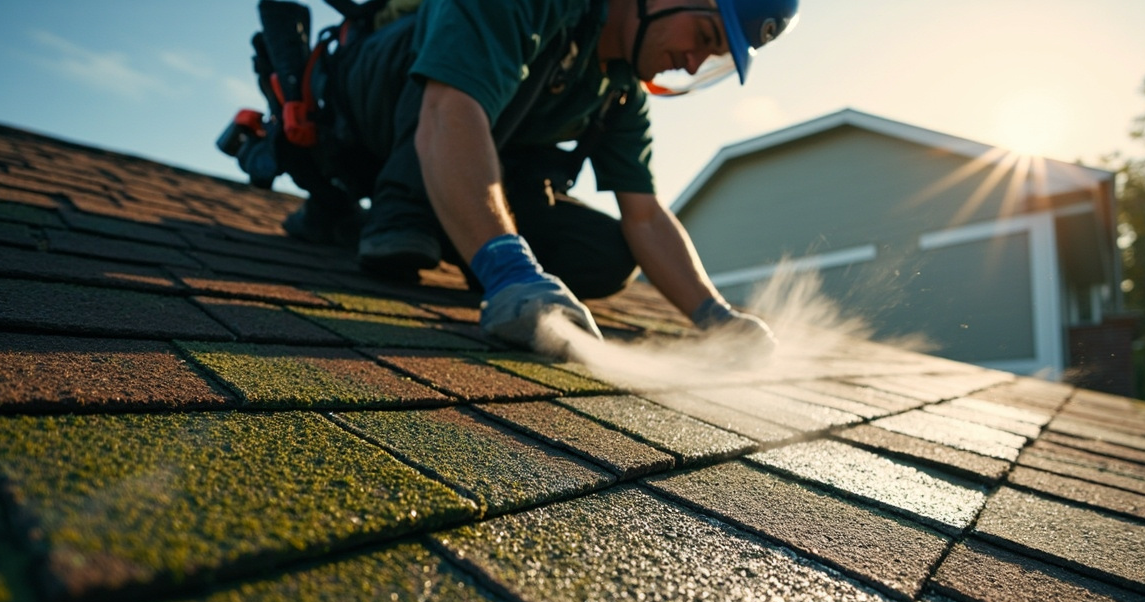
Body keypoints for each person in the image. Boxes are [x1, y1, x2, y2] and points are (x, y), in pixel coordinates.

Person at [290, 0, 798, 353]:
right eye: (704, 37)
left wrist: (716, 317)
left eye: (712, 59)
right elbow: (449, 108)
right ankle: (403, 208)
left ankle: (446, 223)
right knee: (454, 73)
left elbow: (644, 216)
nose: (690, 66)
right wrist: (508, 270)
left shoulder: (620, 90)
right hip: (373, 116)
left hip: (467, 152)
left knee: (605, 256)